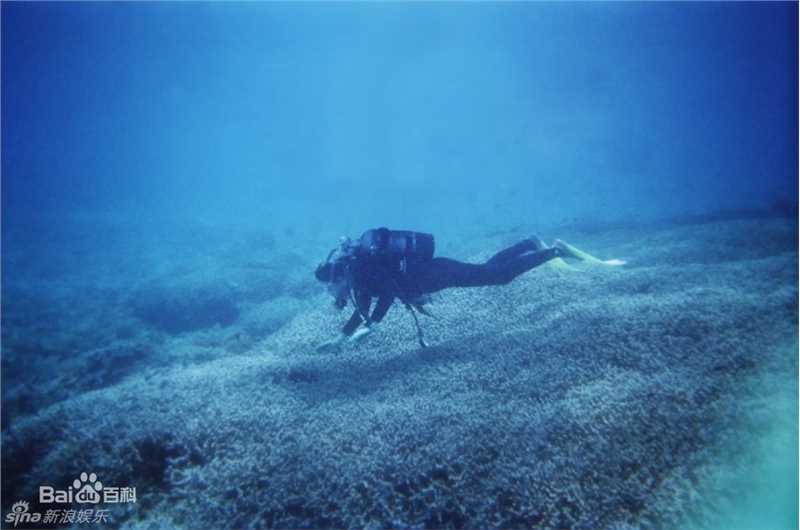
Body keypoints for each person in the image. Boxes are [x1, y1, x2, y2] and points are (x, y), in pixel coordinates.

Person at [314, 227, 624, 351]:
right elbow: (363, 308)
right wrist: (339, 339)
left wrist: (373, 326)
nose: (331, 295)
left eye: (330, 289)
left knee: (497, 276)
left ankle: (554, 251)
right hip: (434, 273)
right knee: (490, 271)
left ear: (336, 278)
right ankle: (529, 244)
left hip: (437, 273)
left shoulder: (362, 272)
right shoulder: (359, 275)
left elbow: (387, 293)